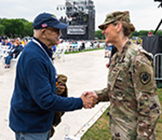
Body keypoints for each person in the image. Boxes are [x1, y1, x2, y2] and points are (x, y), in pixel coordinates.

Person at [9, 12, 97, 140]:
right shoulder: (34, 57)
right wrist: (80, 102)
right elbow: (45, 100)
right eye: (56, 30)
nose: (60, 34)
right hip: (31, 127)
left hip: (34, 123)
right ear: (43, 32)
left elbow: (36, 88)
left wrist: (53, 87)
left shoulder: (40, 51)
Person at [84, 11, 161, 140]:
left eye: (105, 27)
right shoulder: (117, 57)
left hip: (133, 135)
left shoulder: (138, 58)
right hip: (120, 132)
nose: (103, 31)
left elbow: (149, 107)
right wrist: (97, 95)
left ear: (118, 27)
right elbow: (120, 91)